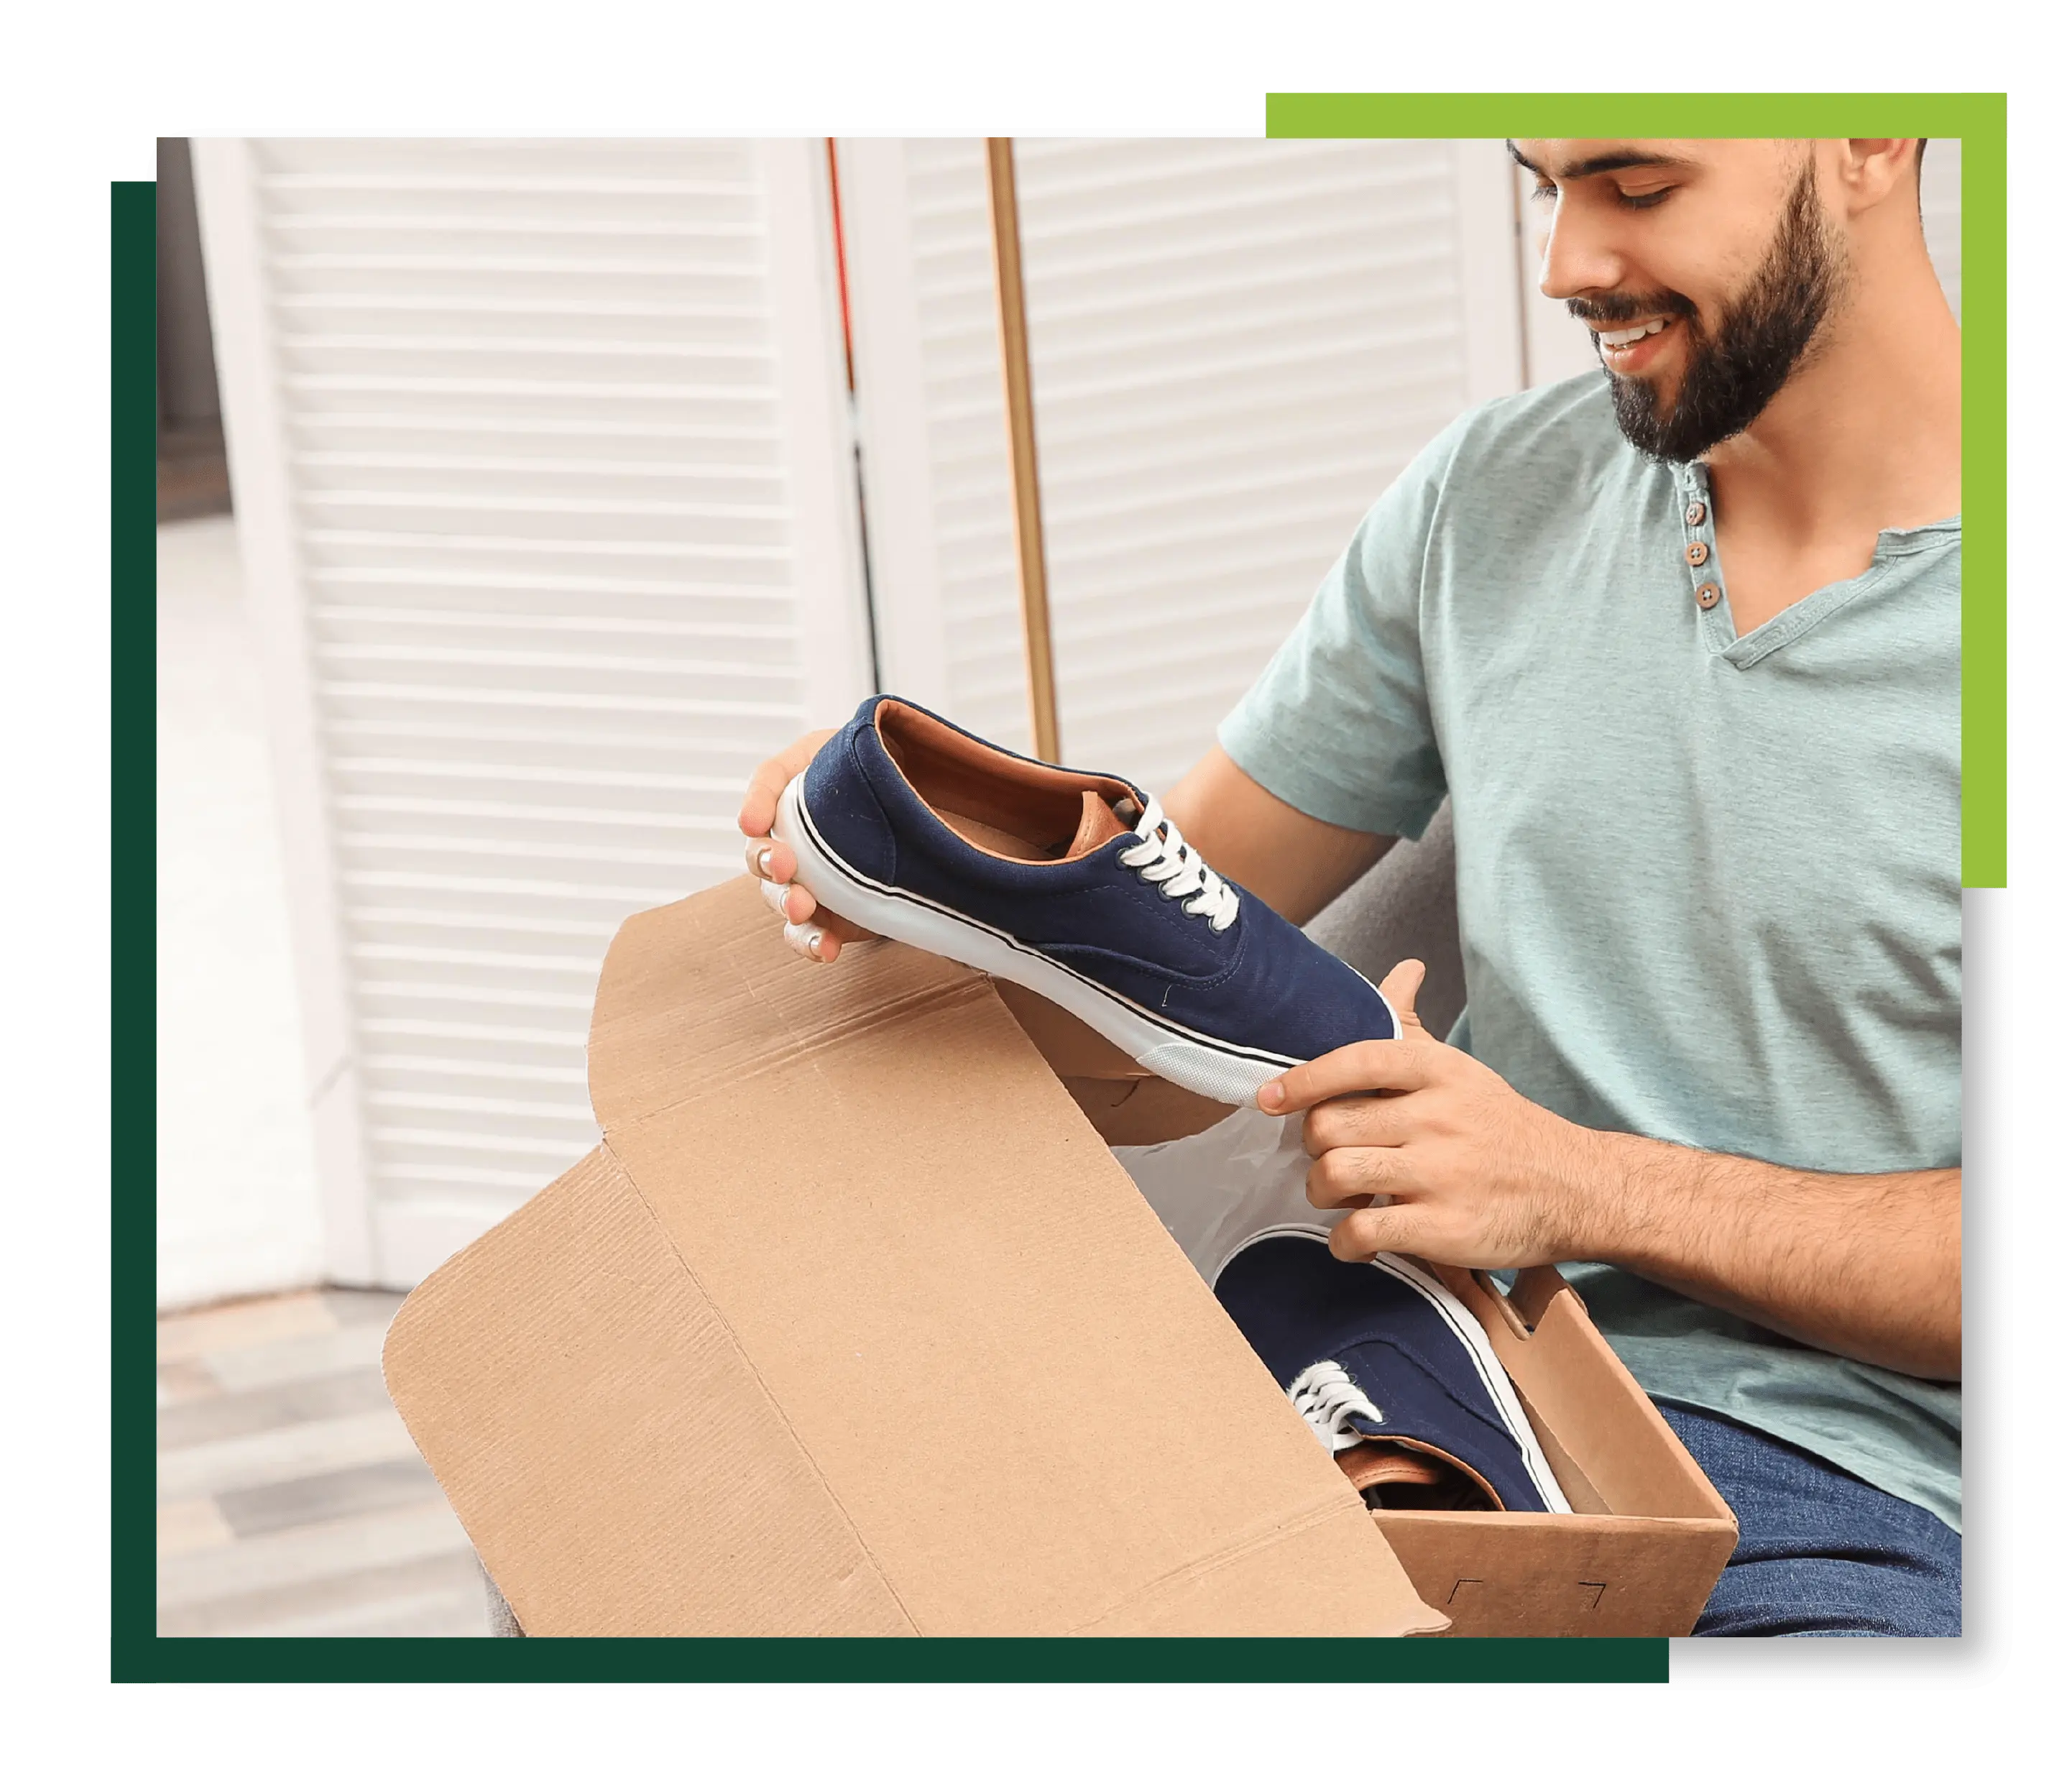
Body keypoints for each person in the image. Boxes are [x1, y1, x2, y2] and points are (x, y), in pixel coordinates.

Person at [738, 139, 1963, 1637]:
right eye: (1544, 186)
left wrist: (1576, 1183)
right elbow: (1167, 949)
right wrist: (937, 896)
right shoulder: (1494, 501)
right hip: (1415, 1364)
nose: (1566, 263)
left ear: (1868, 142)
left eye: (1637, 189)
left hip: (1829, 1483)